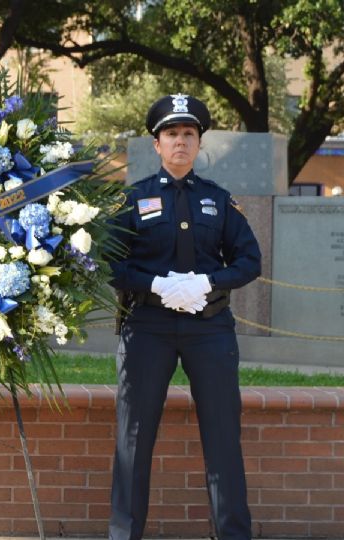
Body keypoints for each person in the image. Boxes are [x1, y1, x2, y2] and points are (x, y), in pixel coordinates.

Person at [108, 94, 261, 540]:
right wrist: (155, 284)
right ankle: (124, 535)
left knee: (222, 439)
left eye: (188, 134)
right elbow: (110, 263)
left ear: (198, 143)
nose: (180, 142)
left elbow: (249, 260)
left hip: (209, 328)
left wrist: (208, 284)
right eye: (171, 134)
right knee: (133, 439)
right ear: (156, 144)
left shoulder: (218, 201)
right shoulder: (133, 199)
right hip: (147, 328)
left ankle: (232, 534)